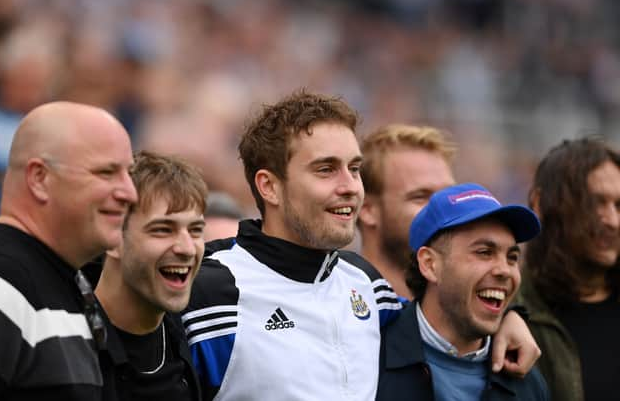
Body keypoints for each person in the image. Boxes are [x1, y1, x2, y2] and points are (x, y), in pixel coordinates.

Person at [182, 91, 540, 401]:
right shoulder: (209, 292)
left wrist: (509, 317)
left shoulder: (367, 287)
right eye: (326, 169)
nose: (350, 186)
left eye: (354, 169)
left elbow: (443, 316)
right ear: (269, 186)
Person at [0, 101, 138, 400]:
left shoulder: (71, 280)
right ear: (39, 179)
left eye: (128, 174)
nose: (129, 192)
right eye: (107, 172)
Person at [377, 183, 548, 400]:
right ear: (430, 264)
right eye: (485, 252)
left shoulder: (527, 382)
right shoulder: (370, 357)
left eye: (512, 257)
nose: (505, 271)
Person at [89, 150, 207, 400]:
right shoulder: (63, 343)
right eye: (163, 230)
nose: (187, 248)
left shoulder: (191, 336)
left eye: (196, 231)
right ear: (112, 239)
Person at [515, 137, 620, 401]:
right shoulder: (512, 315)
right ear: (540, 203)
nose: (613, 221)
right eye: (595, 202)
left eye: (619, 205)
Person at [358, 124, 455, 299]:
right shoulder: (338, 311)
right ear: (367, 210)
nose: (442, 210)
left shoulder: (461, 317)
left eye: (447, 196)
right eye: (420, 197)